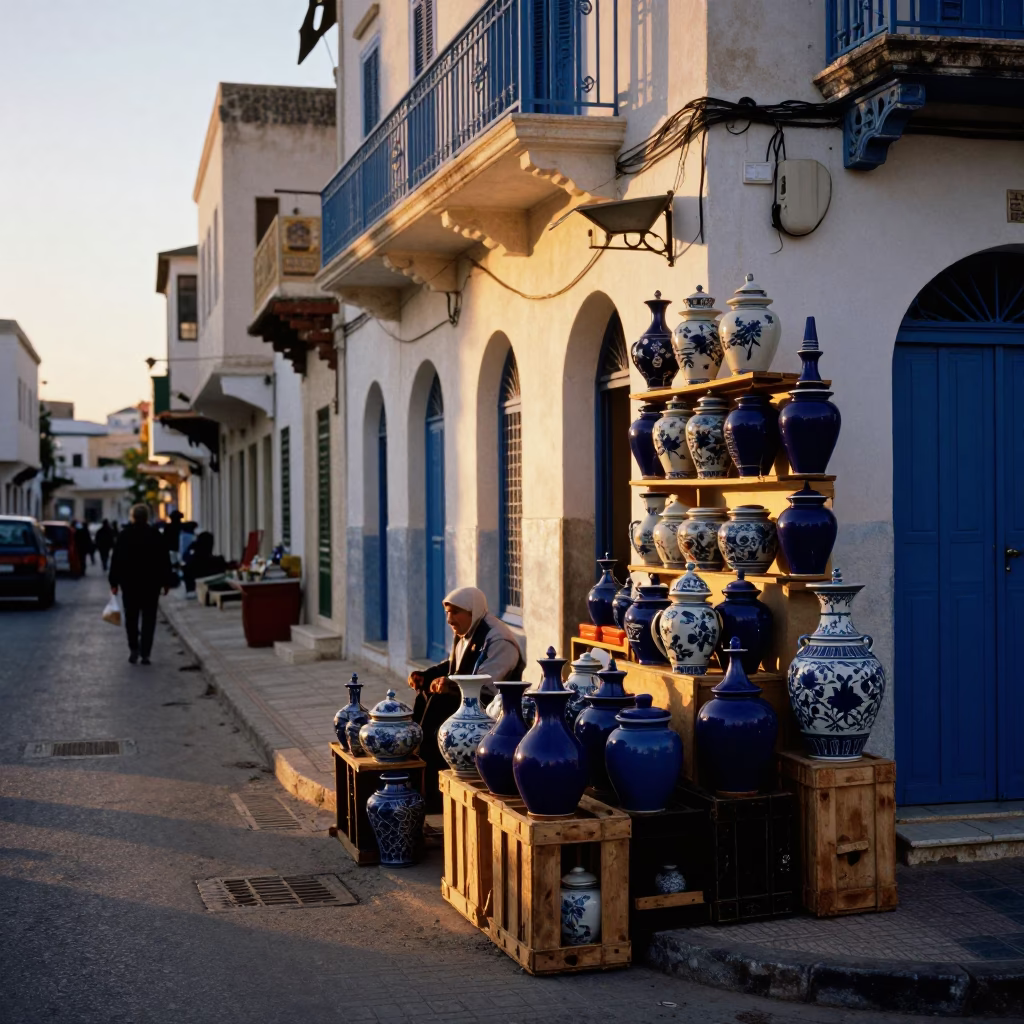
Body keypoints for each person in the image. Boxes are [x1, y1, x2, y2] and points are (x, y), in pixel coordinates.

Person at [408, 586, 525, 810]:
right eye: (447, 613)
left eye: (455, 613)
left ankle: (434, 796)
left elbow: (487, 684)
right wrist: (427, 676)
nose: (450, 619)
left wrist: (449, 685)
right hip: (468, 700)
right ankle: (423, 784)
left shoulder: (498, 640)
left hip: (494, 709)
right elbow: (453, 666)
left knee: (438, 712)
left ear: (473, 611)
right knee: (426, 699)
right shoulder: (465, 633)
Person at [108, 504, 171, 665]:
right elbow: (164, 559)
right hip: (151, 584)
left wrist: (113, 583)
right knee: (149, 618)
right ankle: (145, 653)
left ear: (133, 517)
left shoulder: (124, 535)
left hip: (130, 585)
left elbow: (116, 560)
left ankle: (134, 648)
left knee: (131, 618)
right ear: (147, 517)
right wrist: (166, 581)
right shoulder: (155, 534)